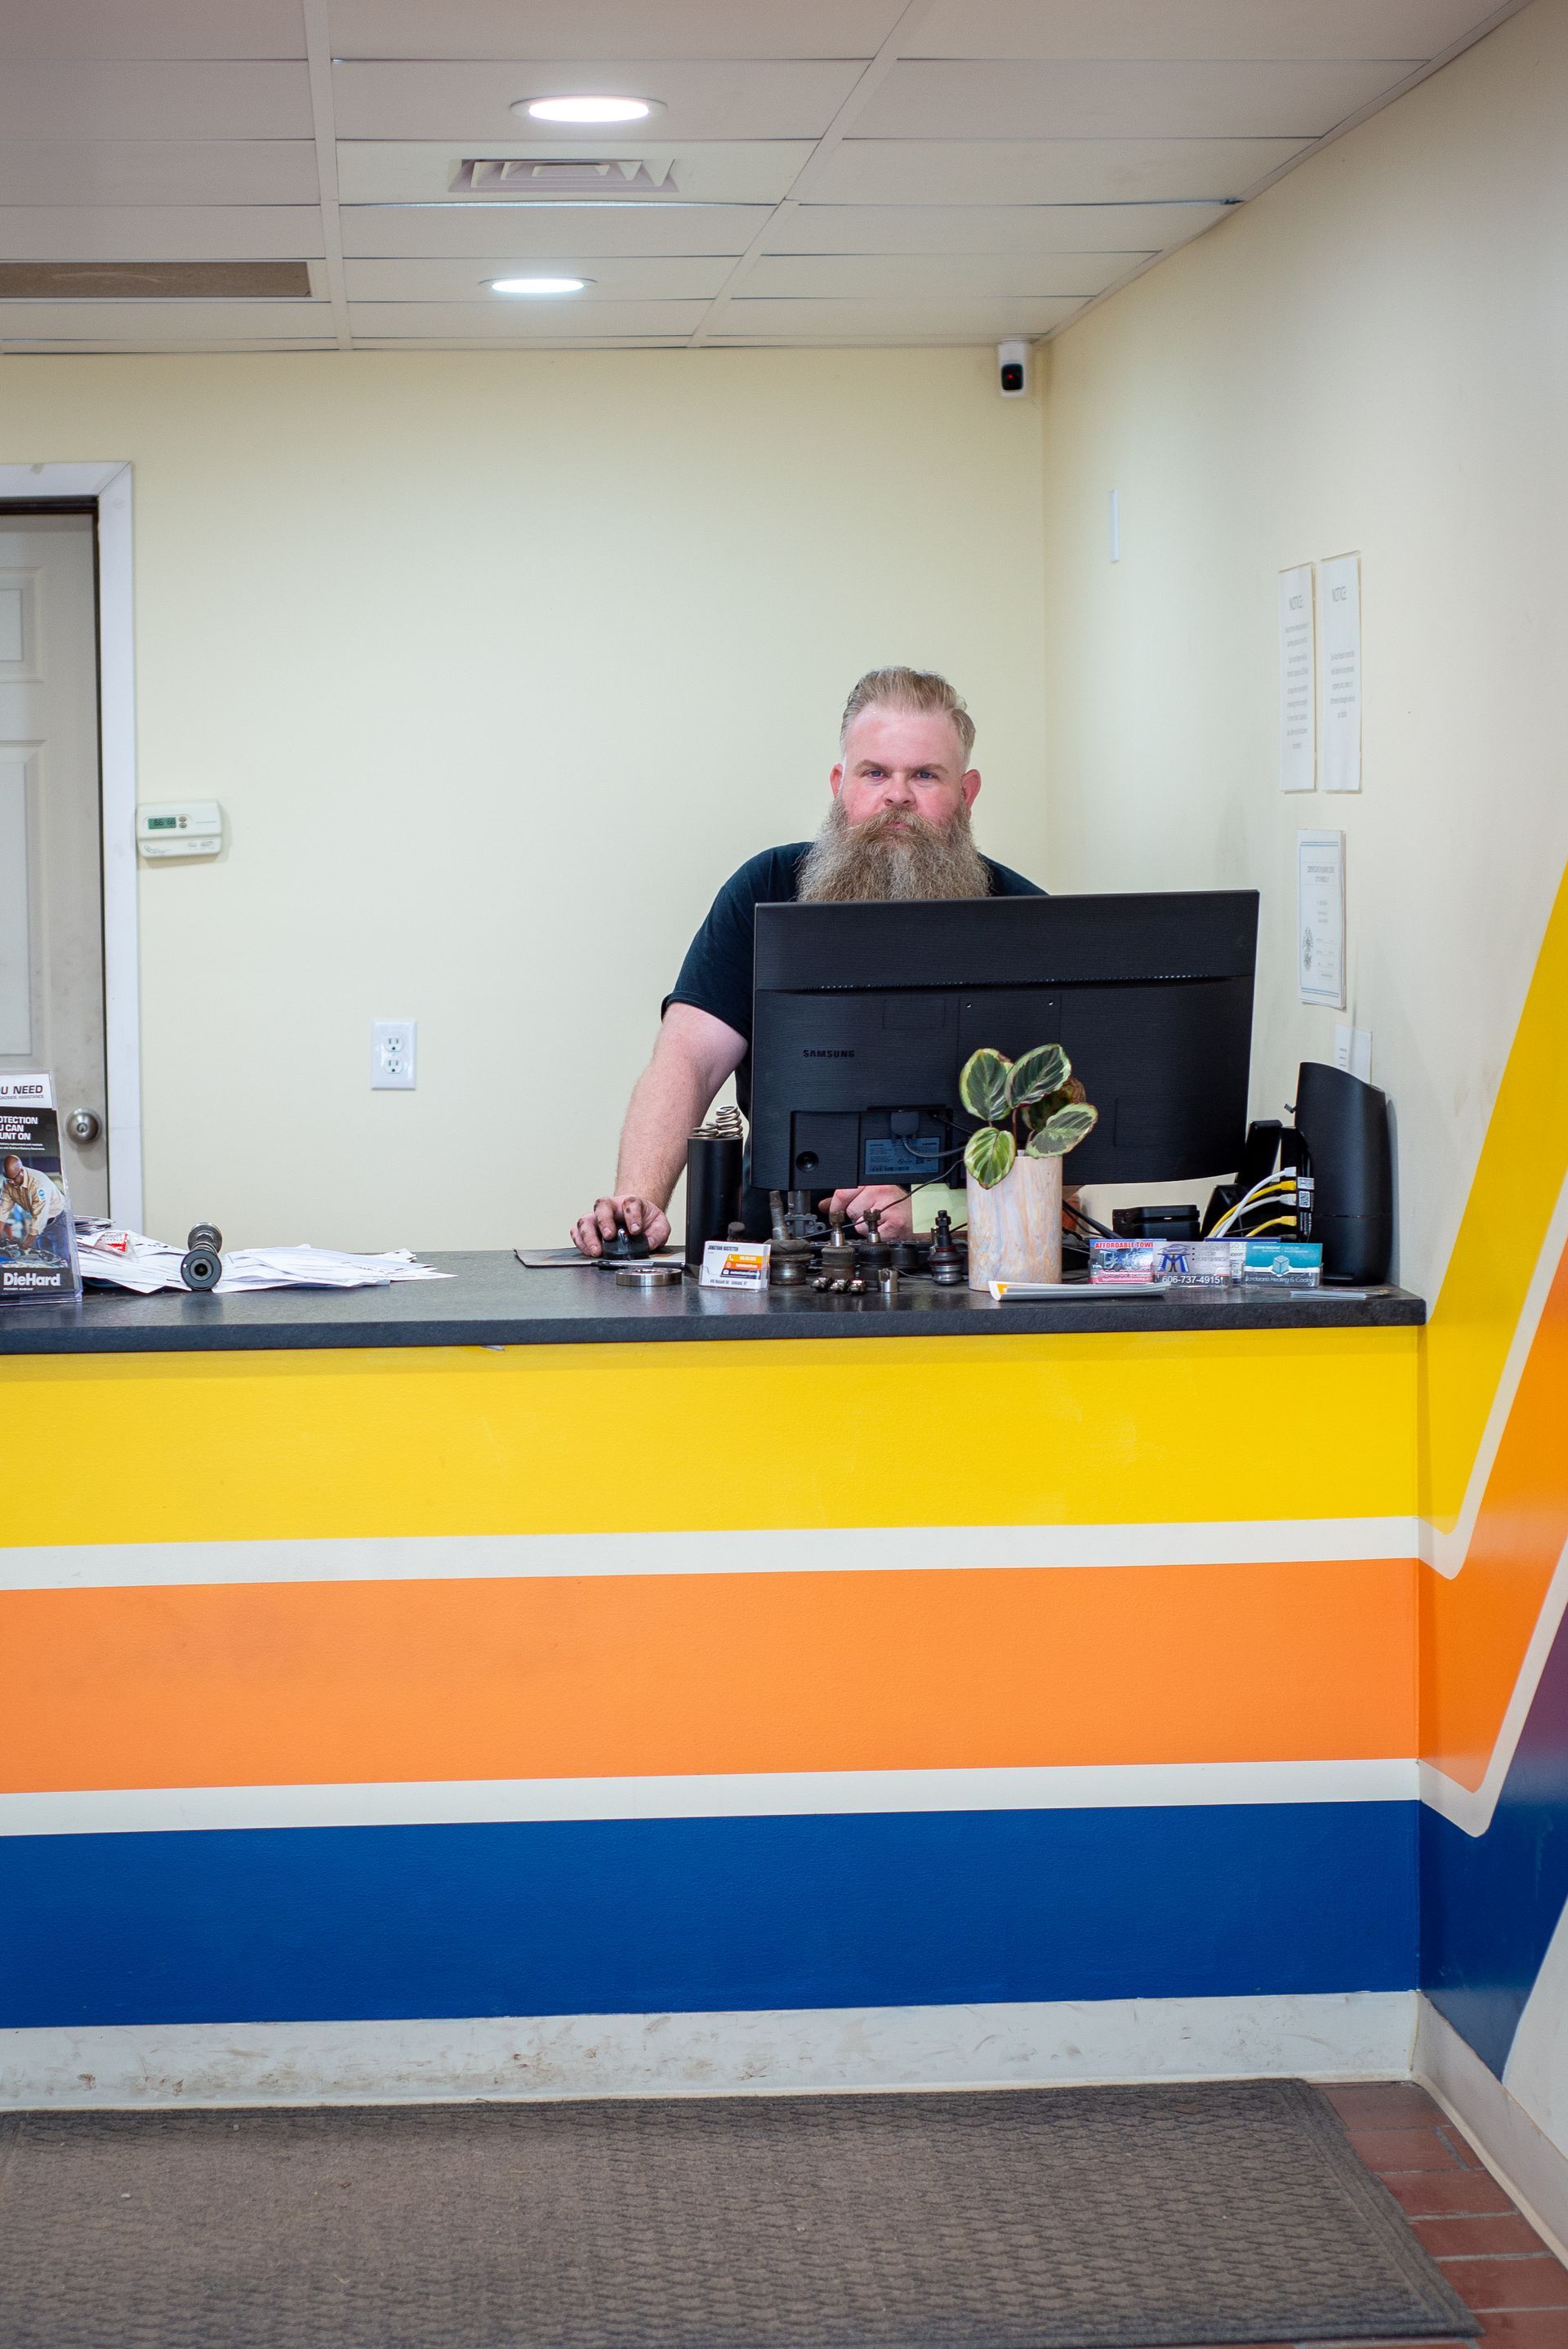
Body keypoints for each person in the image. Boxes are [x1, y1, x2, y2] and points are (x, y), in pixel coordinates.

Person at [572, 667, 1043, 1257]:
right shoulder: (766, 890)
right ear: (841, 784)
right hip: (776, 1256)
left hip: (971, 1261)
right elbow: (688, 1059)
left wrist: (926, 1215)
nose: (897, 795)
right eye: (875, 773)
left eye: (925, 775)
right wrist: (639, 1201)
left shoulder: (1028, 920)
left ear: (967, 793)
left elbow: (1061, 1147)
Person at [1, 1152, 65, 1253]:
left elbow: (40, 1218)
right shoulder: (8, 1183)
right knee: (42, 1256)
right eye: (9, 1179)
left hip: (58, 1220)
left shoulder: (38, 1183)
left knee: (62, 1255)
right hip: (38, 1221)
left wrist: (24, 1246)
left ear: (21, 1171)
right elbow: (2, 1212)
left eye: (14, 1178)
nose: (11, 1182)